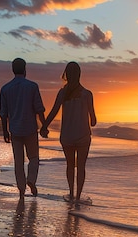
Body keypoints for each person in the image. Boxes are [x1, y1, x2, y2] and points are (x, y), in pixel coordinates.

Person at [40, 62, 96, 204]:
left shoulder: (62, 93)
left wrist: (44, 126)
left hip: (67, 136)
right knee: (81, 166)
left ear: (66, 75)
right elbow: (93, 120)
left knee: (70, 165)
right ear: (79, 74)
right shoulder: (87, 94)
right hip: (83, 136)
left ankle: (70, 194)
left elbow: (53, 111)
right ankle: (78, 197)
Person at [0, 58, 46, 198]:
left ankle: (21, 190)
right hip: (30, 128)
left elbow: (3, 113)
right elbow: (39, 109)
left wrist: (4, 131)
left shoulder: (5, 89)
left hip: (15, 129)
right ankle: (31, 180)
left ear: (13, 70)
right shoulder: (32, 86)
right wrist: (44, 126)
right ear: (25, 69)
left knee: (18, 161)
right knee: (34, 158)